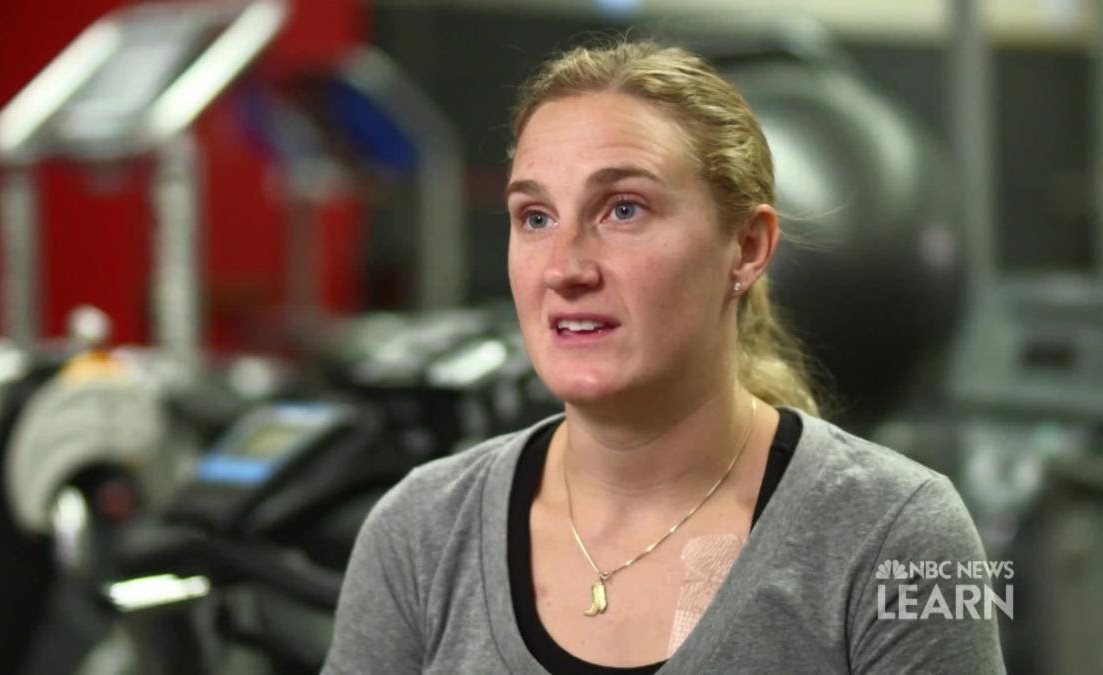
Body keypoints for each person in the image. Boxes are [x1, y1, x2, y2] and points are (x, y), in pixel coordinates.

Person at [322, 39, 1005, 674]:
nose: (564, 268)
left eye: (624, 209)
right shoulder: (421, 529)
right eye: (536, 217)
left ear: (747, 248)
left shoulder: (902, 534)